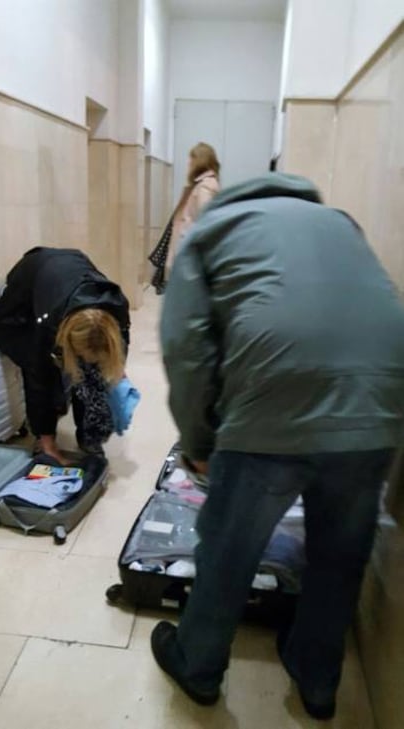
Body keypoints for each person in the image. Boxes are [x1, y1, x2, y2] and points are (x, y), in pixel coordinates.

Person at [150, 174, 404, 720]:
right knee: (340, 554)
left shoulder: (212, 230)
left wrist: (198, 440)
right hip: (380, 409)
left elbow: (185, 344)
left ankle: (197, 665)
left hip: (272, 404)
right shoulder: (342, 224)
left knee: (228, 547)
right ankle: (317, 679)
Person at [0, 247, 130, 464]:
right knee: (39, 364)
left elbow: (117, 354)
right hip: (28, 281)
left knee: (96, 373)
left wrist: (117, 372)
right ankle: (45, 433)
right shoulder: (49, 321)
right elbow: (37, 376)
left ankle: (89, 437)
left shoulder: (117, 307)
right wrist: (47, 442)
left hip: (73, 263)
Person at [149, 142, 220, 294]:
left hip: (189, 256)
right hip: (187, 254)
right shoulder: (202, 184)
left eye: (191, 159)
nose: (189, 163)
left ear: (200, 160)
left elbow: (206, 223)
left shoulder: (205, 187)